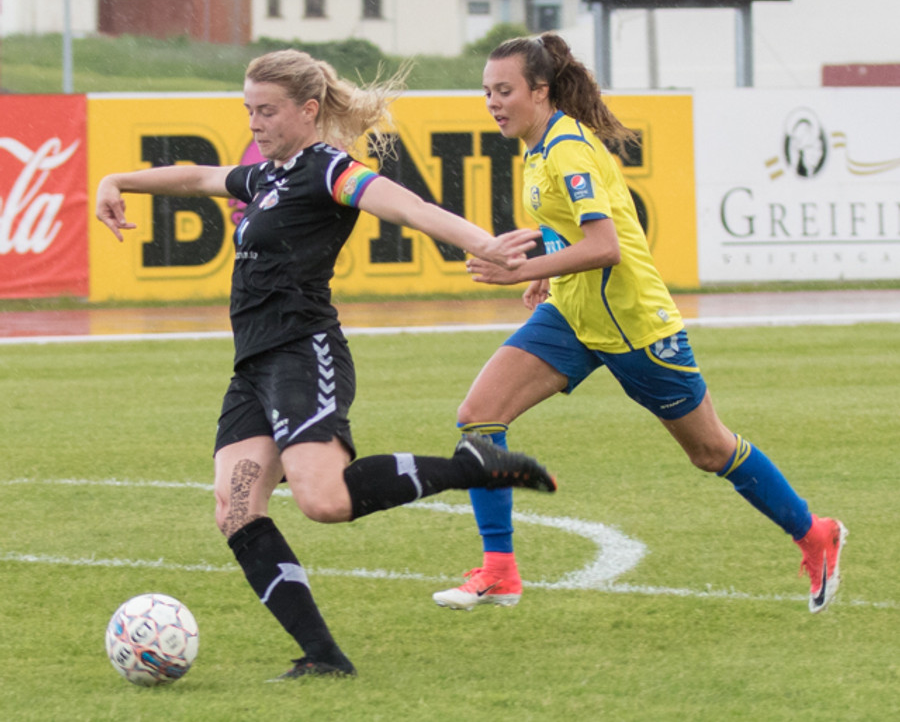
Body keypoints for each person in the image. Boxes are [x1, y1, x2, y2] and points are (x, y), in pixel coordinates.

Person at [95, 49, 557, 681]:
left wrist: (487, 246)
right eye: (249, 109)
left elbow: (409, 208)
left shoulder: (330, 171)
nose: (254, 122)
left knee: (324, 500)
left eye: (267, 111)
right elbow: (199, 178)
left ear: (308, 110)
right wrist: (117, 180)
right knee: (235, 510)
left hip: (303, 354)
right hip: (254, 369)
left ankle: (469, 467)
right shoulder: (266, 176)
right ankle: (324, 657)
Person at [431, 33, 847, 615]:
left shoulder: (568, 150)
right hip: (574, 316)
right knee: (479, 416)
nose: (493, 103)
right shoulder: (537, 146)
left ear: (541, 91)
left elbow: (607, 247)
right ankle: (499, 570)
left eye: (505, 91)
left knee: (711, 450)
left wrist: (520, 269)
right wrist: (547, 272)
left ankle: (815, 533)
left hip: (635, 327)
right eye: (487, 92)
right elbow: (569, 226)